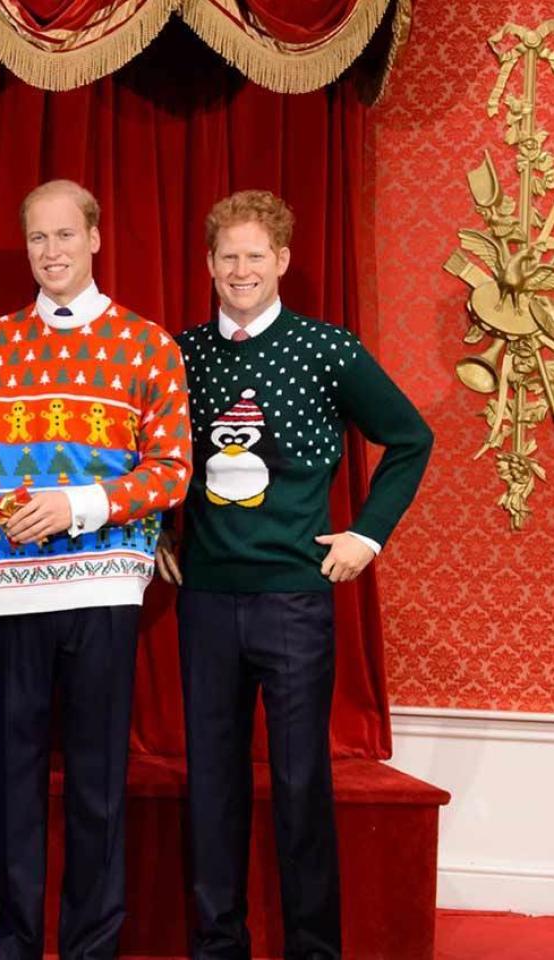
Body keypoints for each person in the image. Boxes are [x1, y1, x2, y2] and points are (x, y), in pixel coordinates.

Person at [156, 190, 432, 960]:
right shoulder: (179, 354)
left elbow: (410, 438)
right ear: (209, 264)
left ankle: (314, 950)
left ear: (281, 260)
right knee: (212, 786)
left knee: (302, 786)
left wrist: (367, 536)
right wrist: (157, 531)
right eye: (228, 256)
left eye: (255, 255)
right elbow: (151, 454)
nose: (241, 269)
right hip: (207, 602)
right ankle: (218, 947)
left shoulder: (327, 349)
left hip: (294, 603)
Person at [0, 179, 192, 959]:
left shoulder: (148, 345)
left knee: (96, 784)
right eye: (37, 238)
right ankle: (15, 945)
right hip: (9, 591)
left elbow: (172, 470)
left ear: (94, 238)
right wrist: (6, 511)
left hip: (102, 590)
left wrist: (79, 505)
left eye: (64, 235)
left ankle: (92, 948)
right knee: (15, 783)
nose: (51, 252)